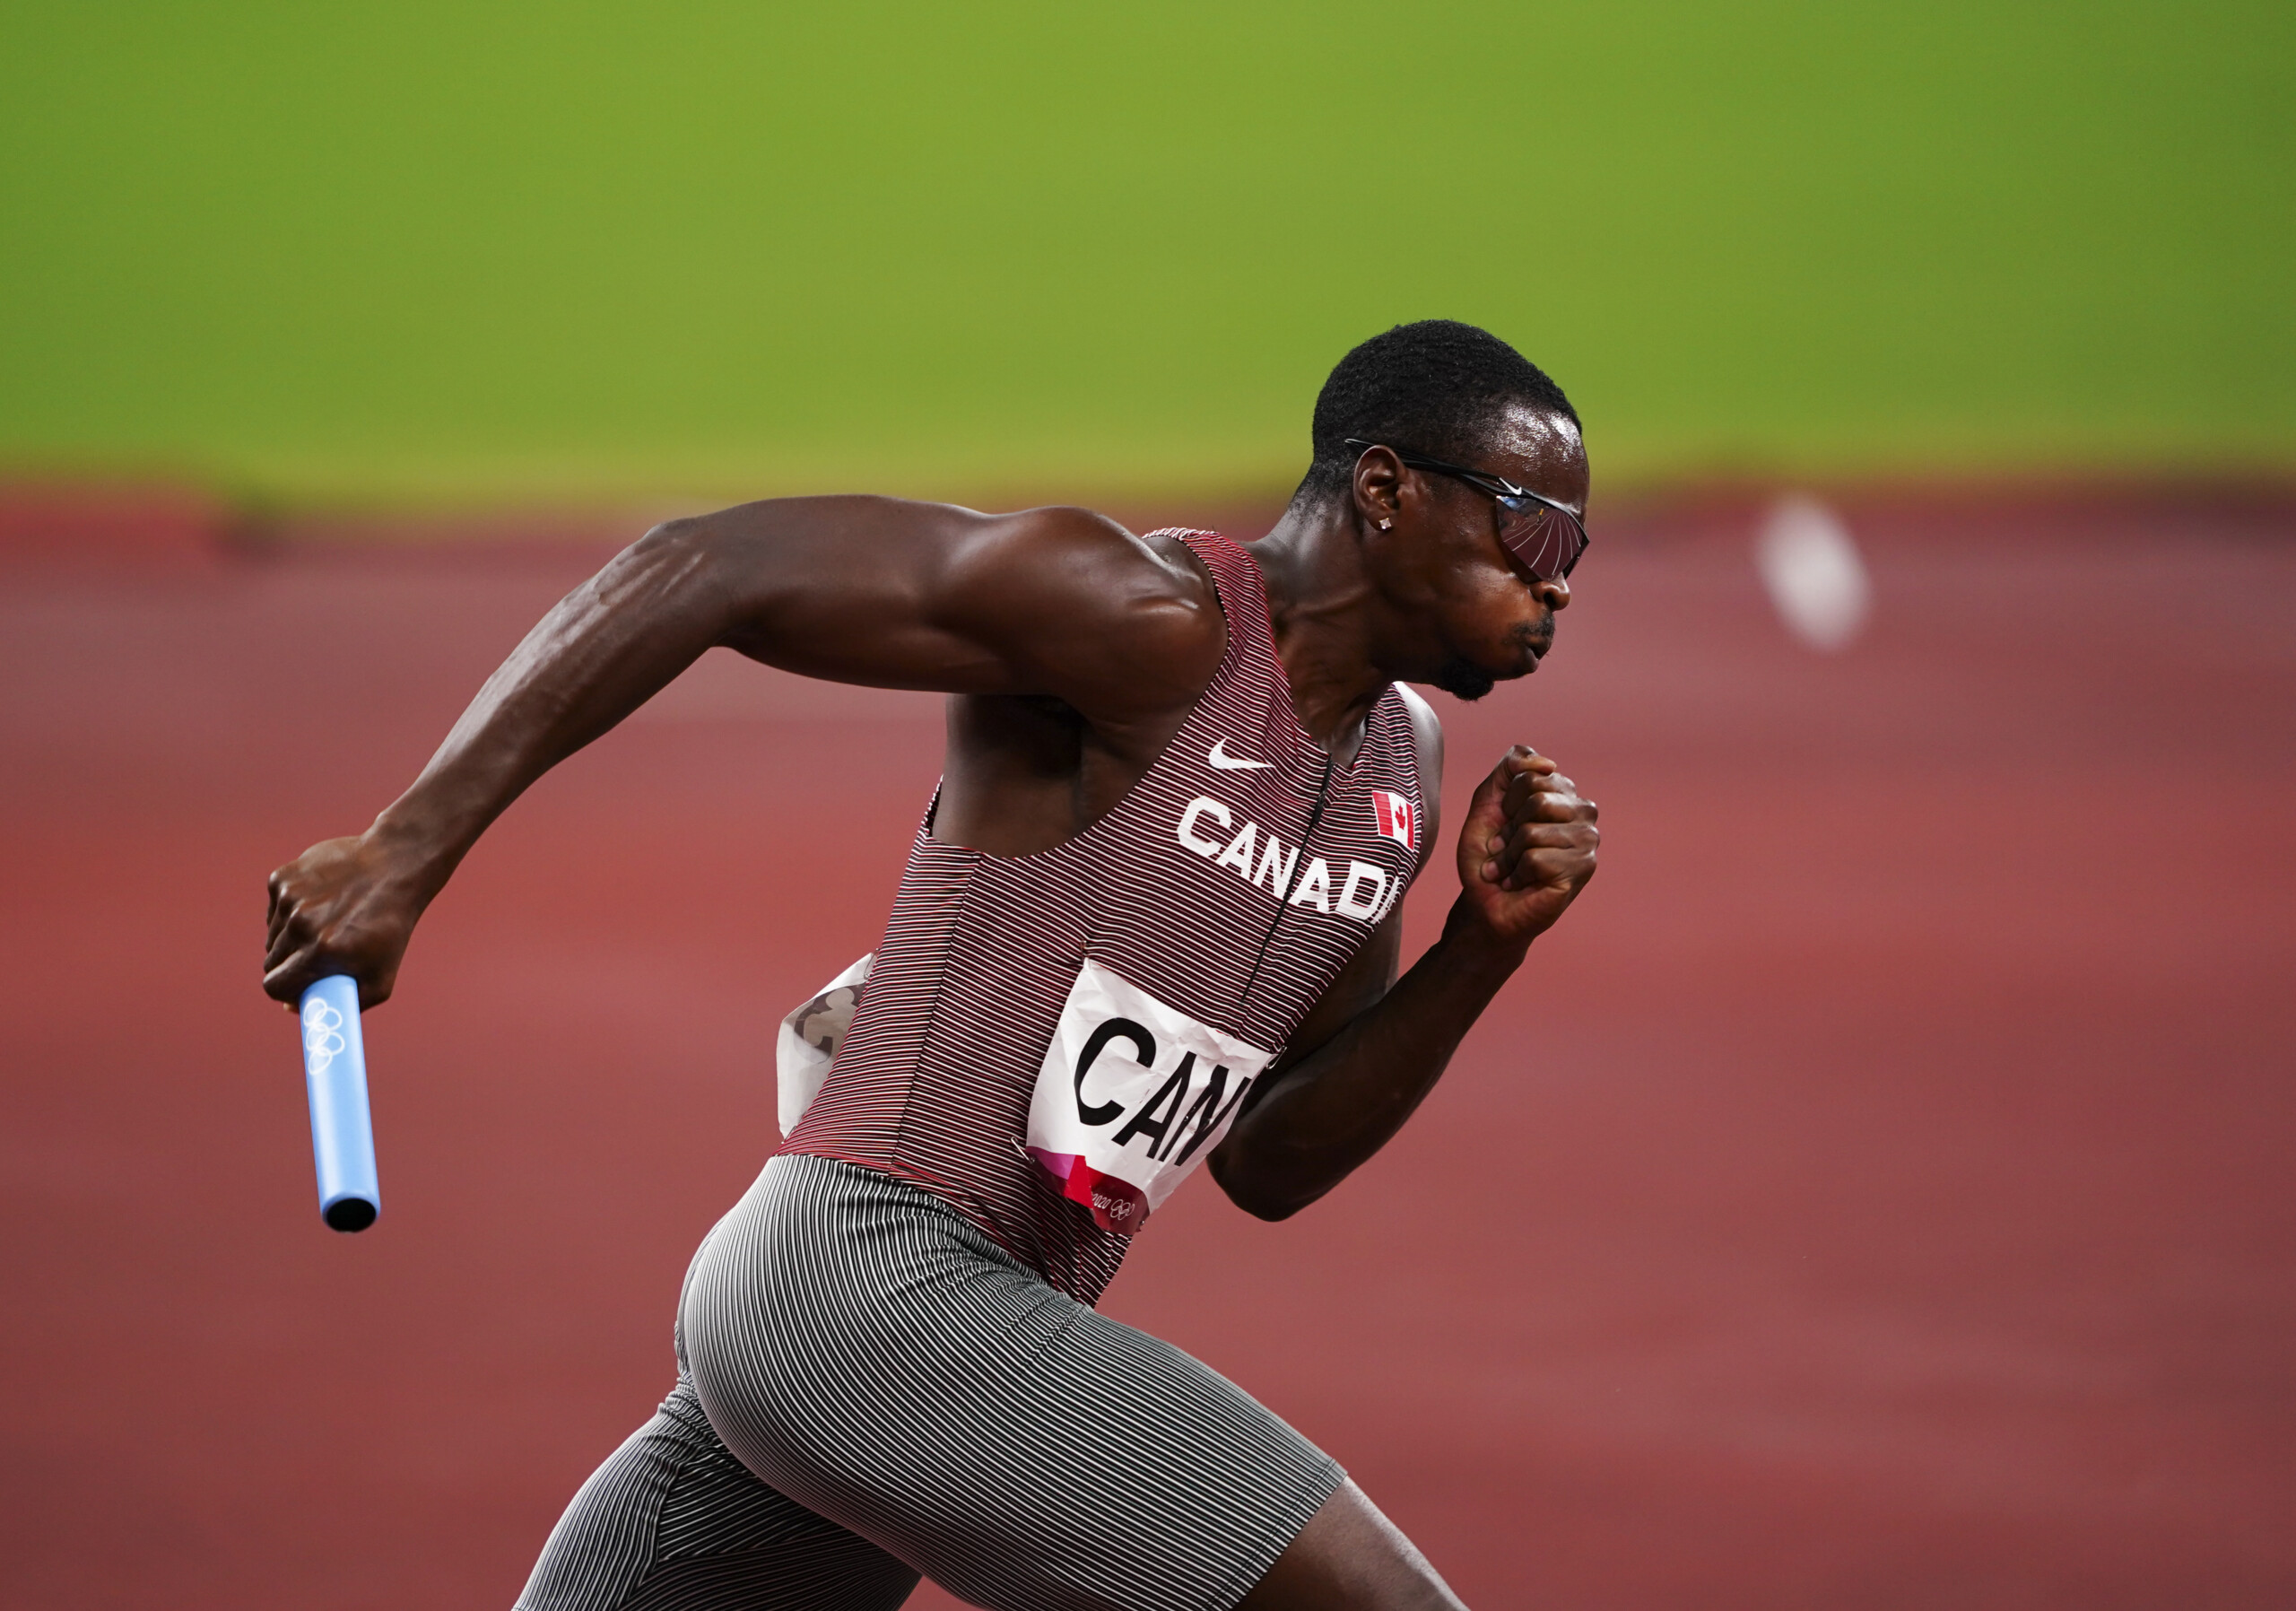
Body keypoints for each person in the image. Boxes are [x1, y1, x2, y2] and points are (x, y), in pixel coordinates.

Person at [262, 318, 1601, 1611]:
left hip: (920, 1339)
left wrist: (1476, 949)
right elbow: (710, 564)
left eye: (1577, 553)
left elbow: (1271, 1160)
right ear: (1385, 490)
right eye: (1534, 529)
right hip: (859, 1277)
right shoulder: (1149, 621)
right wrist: (406, 849)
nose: (1556, 581)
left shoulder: (1398, 777)